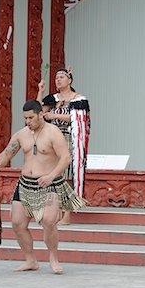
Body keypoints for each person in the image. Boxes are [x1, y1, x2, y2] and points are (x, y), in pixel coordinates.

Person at [0, 100, 85, 274]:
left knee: (49, 221)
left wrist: (51, 176)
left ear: (40, 114)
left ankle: (53, 258)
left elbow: (65, 158)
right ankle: (30, 260)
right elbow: (7, 153)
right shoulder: (22, 134)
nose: (27, 122)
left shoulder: (53, 133)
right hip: (25, 184)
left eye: (30, 117)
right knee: (17, 223)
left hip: (48, 183)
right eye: (25, 118)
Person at [37, 68, 91, 225]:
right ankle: (57, 213)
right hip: (53, 138)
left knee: (67, 176)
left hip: (69, 137)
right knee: (55, 176)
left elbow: (79, 118)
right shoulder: (52, 98)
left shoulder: (78, 99)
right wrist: (41, 91)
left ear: (70, 80)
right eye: (56, 77)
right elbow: (38, 111)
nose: (58, 80)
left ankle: (67, 215)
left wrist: (55, 116)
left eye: (61, 77)